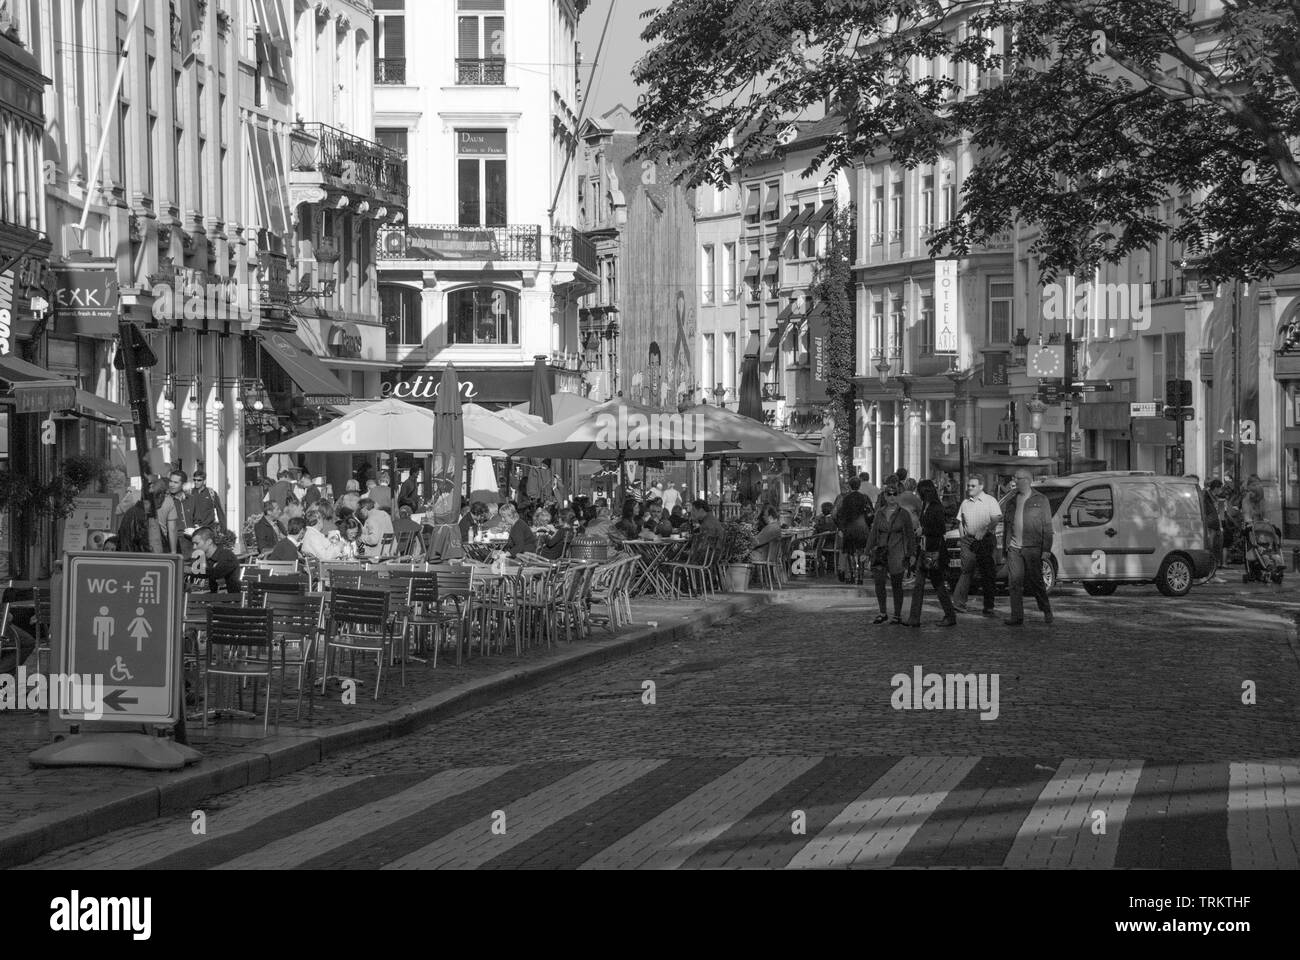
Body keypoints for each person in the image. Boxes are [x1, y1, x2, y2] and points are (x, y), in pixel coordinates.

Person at [1003, 468, 1054, 626]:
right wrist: (1006, 545)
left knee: (1036, 581)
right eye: (1015, 478)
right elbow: (1007, 524)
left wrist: (1046, 549)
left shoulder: (1041, 499)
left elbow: (1047, 526)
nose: (1015, 481)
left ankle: (1046, 610)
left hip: (1032, 547)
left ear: (1027, 480)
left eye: (1018, 478)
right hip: (1014, 548)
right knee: (1014, 582)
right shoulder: (1012, 500)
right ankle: (1016, 616)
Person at [907, 479, 957, 627]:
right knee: (919, 584)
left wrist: (924, 530)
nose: (917, 493)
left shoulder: (935, 507)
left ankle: (950, 615)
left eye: (919, 491)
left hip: (933, 550)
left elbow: (940, 529)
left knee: (938, 583)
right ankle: (914, 618)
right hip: (924, 550)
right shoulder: (925, 506)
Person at [951, 475, 1001, 616]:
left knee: (987, 574)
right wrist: (962, 538)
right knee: (966, 571)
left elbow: (996, 518)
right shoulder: (965, 503)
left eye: (973, 486)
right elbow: (961, 521)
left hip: (985, 541)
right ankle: (959, 603)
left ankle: (988, 607)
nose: (969, 488)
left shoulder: (990, 501)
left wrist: (985, 529)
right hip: (968, 541)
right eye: (968, 486)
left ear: (981, 486)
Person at [866, 484, 916, 625]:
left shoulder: (903, 514)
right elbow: (873, 533)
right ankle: (882, 612)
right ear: (885, 496)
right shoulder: (880, 513)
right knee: (879, 583)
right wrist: (866, 551)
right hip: (881, 552)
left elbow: (910, 535)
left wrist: (911, 554)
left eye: (895, 494)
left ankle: (897, 615)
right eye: (889, 494)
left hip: (897, 552)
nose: (892, 497)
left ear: (898, 496)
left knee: (896, 584)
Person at [835, 477, 872, 584]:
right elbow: (871, 513)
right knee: (861, 551)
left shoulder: (845, 499)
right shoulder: (864, 498)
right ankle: (860, 577)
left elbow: (838, 514)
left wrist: (841, 527)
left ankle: (852, 575)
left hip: (849, 527)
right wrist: (867, 524)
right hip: (862, 527)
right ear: (859, 486)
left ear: (850, 486)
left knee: (850, 552)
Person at [155, 469, 193, 556]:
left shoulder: (191, 499)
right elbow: (170, 528)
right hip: (172, 541)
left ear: (183, 484)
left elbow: (198, 519)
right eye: (170, 481)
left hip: (190, 541)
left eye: (176, 482)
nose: (171, 485)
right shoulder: (165, 500)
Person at [193, 527, 240, 593]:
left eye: (197, 543)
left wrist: (191, 571)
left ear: (209, 542)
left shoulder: (227, 556)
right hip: (206, 600)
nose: (194, 547)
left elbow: (217, 573)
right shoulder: (201, 558)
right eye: (193, 544)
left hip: (228, 601)